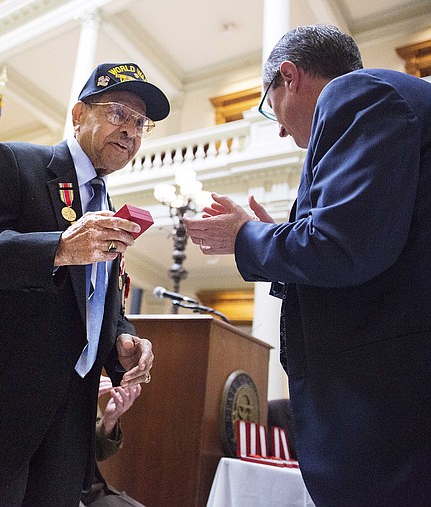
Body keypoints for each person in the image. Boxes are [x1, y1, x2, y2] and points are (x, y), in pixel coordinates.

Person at [184, 24, 431, 506]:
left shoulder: (357, 93)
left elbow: (344, 247)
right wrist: (278, 242)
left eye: (267, 104)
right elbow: (368, 254)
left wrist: (245, 237)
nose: (276, 125)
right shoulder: (377, 105)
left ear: (289, 77)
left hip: (389, 412)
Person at [0, 62, 167, 506]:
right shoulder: (17, 163)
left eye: (140, 123)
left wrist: (121, 341)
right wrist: (57, 248)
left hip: (67, 429)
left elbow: (88, 305)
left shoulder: (108, 206)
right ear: (78, 114)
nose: (130, 131)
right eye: (117, 113)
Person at [80, 377, 144, 507]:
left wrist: (109, 419)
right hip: (42, 482)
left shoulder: (84, 369)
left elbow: (98, 448)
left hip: (86, 488)